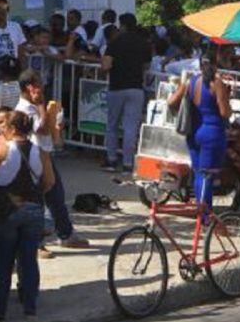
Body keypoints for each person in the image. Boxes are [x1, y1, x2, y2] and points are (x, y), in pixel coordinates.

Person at [0, 111, 51, 322]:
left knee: (4, 262)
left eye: (4, 127)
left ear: (13, 129)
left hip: (7, 211)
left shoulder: (2, 149)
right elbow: (49, 182)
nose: (1, 129)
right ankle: (30, 309)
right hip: (33, 212)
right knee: (29, 260)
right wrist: (34, 191)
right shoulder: (41, 152)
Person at [16, 70, 90, 253]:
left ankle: (66, 234)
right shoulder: (24, 108)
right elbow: (40, 128)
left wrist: (56, 123)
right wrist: (41, 105)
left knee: (56, 195)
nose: (42, 87)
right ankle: (37, 242)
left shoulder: (33, 105)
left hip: (45, 153)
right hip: (34, 156)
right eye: (38, 84)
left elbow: (48, 129)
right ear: (30, 87)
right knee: (39, 199)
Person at [167, 50, 232, 210]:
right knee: (207, 176)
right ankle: (205, 216)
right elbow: (225, 112)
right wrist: (228, 96)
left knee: (198, 173)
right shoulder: (217, 83)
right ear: (216, 65)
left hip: (194, 132)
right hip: (213, 133)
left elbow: (171, 102)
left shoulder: (191, 81)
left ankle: (199, 211)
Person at [100, 13, 150, 174]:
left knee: (112, 126)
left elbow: (106, 65)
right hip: (136, 88)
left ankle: (112, 160)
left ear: (122, 25)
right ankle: (128, 164)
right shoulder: (143, 43)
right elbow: (146, 66)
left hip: (116, 87)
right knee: (130, 128)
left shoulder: (115, 42)